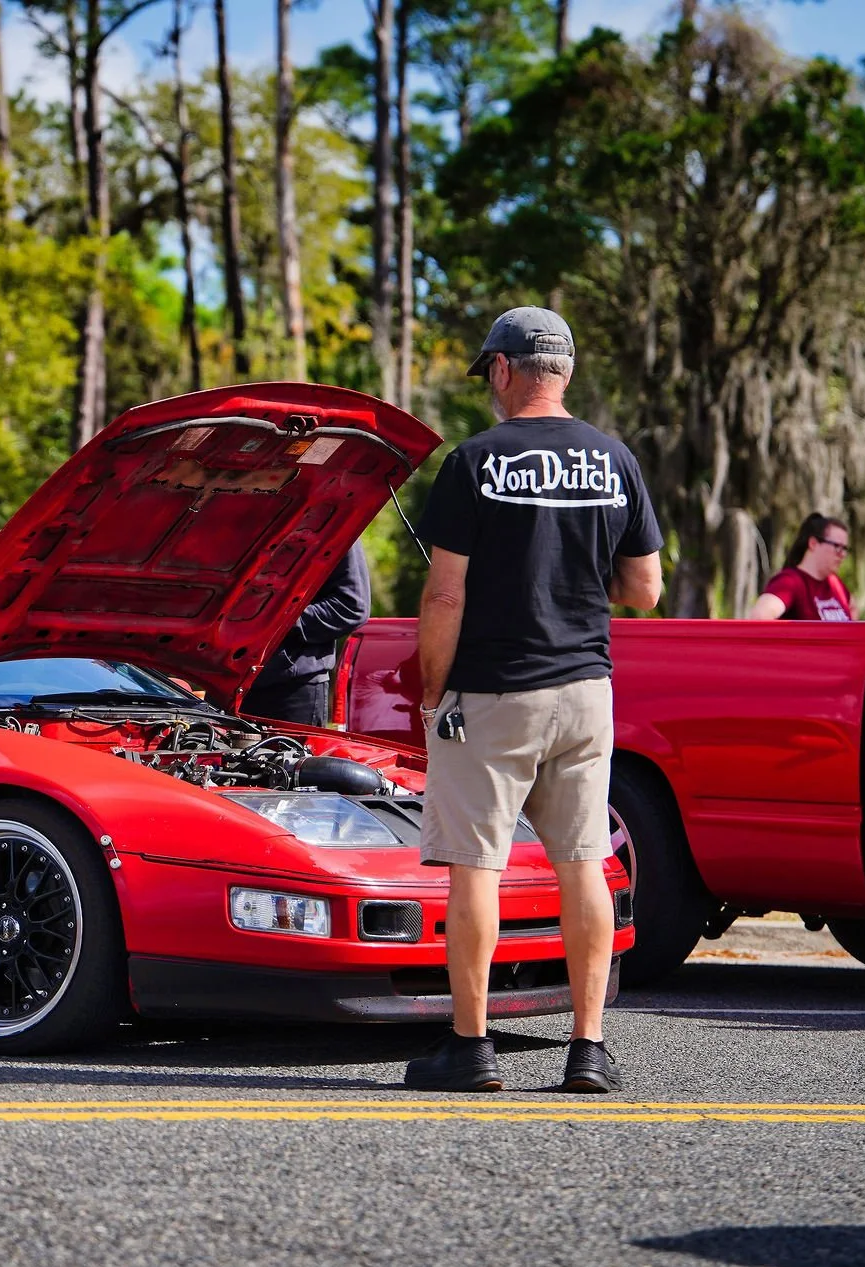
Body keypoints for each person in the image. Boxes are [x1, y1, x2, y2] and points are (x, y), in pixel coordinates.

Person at [404, 306, 663, 1095]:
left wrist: (430, 689)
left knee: (475, 865)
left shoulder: (474, 461)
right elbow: (645, 590)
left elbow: (445, 596)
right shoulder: (614, 459)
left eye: (489, 374)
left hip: (494, 691)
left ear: (506, 371)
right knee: (583, 858)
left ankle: (471, 1048)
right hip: (586, 691)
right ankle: (588, 1049)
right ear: (569, 373)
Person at [241, 541, 371, 726]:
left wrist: (279, 618)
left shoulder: (335, 522)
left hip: (292, 690)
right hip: (225, 683)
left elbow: (352, 607)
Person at [749, 514, 853, 620]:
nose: (842, 554)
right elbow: (759, 617)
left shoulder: (835, 584)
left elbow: (853, 610)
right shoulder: (790, 581)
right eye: (837, 546)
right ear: (813, 543)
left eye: (845, 549)